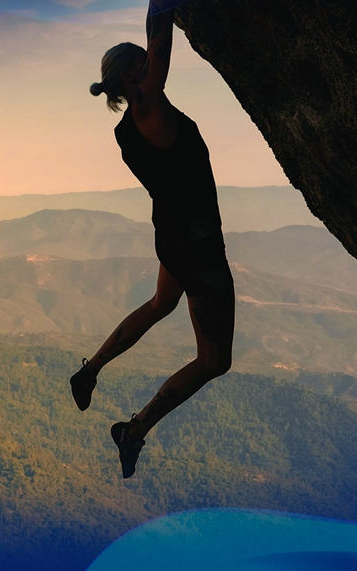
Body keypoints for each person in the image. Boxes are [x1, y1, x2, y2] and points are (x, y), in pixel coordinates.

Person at [72, 2, 235, 479]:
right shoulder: (147, 105)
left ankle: (91, 369)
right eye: (142, 63)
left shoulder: (126, 131)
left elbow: (155, 46)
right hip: (199, 250)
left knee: (161, 303)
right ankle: (135, 429)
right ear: (129, 76)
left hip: (172, 240)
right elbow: (159, 37)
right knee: (214, 360)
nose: (151, 63)